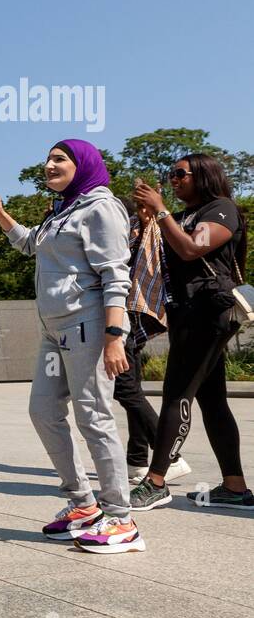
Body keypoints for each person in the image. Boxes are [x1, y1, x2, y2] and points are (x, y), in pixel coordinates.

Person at [0, 140, 143, 552]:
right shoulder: (63, 210)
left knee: (93, 416)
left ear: (83, 164)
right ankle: (83, 503)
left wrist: (114, 337)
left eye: (59, 159)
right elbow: (29, 244)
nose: (49, 165)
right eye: (47, 159)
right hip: (55, 332)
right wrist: (1, 216)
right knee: (43, 411)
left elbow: (115, 276)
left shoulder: (100, 208)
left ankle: (120, 518)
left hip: (88, 325)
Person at [129, 155, 251, 510]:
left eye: (180, 174)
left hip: (209, 310)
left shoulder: (221, 207)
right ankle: (235, 487)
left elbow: (192, 247)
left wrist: (162, 211)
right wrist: (148, 220)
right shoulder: (179, 216)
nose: (174, 179)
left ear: (203, 175)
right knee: (212, 401)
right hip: (185, 312)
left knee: (176, 392)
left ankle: (156, 481)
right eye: (171, 175)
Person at [117, 196, 181, 485]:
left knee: (124, 386)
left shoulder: (137, 231)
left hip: (128, 313)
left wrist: (145, 219)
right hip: (132, 313)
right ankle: (137, 459)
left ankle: (170, 457)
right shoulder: (131, 230)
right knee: (133, 388)